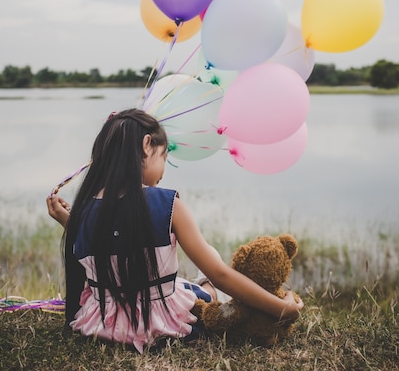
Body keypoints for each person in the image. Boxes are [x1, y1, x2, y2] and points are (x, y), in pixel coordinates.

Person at [47, 108, 303, 352]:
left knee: (182, 281)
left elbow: (108, 244)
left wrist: (70, 223)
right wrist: (283, 309)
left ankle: (200, 287)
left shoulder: (84, 210)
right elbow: (221, 275)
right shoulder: (169, 205)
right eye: (164, 156)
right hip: (160, 325)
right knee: (211, 273)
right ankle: (211, 293)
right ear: (147, 145)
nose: (164, 168)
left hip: (100, 326)